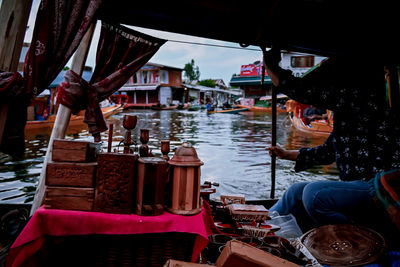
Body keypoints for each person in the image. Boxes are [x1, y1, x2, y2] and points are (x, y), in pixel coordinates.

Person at [264, 51, 400, 236]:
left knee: (314, 195)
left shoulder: (361, 97)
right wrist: (286, 154)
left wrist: (271, 68)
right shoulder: (346, 113)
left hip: (379, 188)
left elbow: (302, 91)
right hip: (357, 186)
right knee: (296, 191)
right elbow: (328, 151)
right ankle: (262, 227)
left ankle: (358, 240)